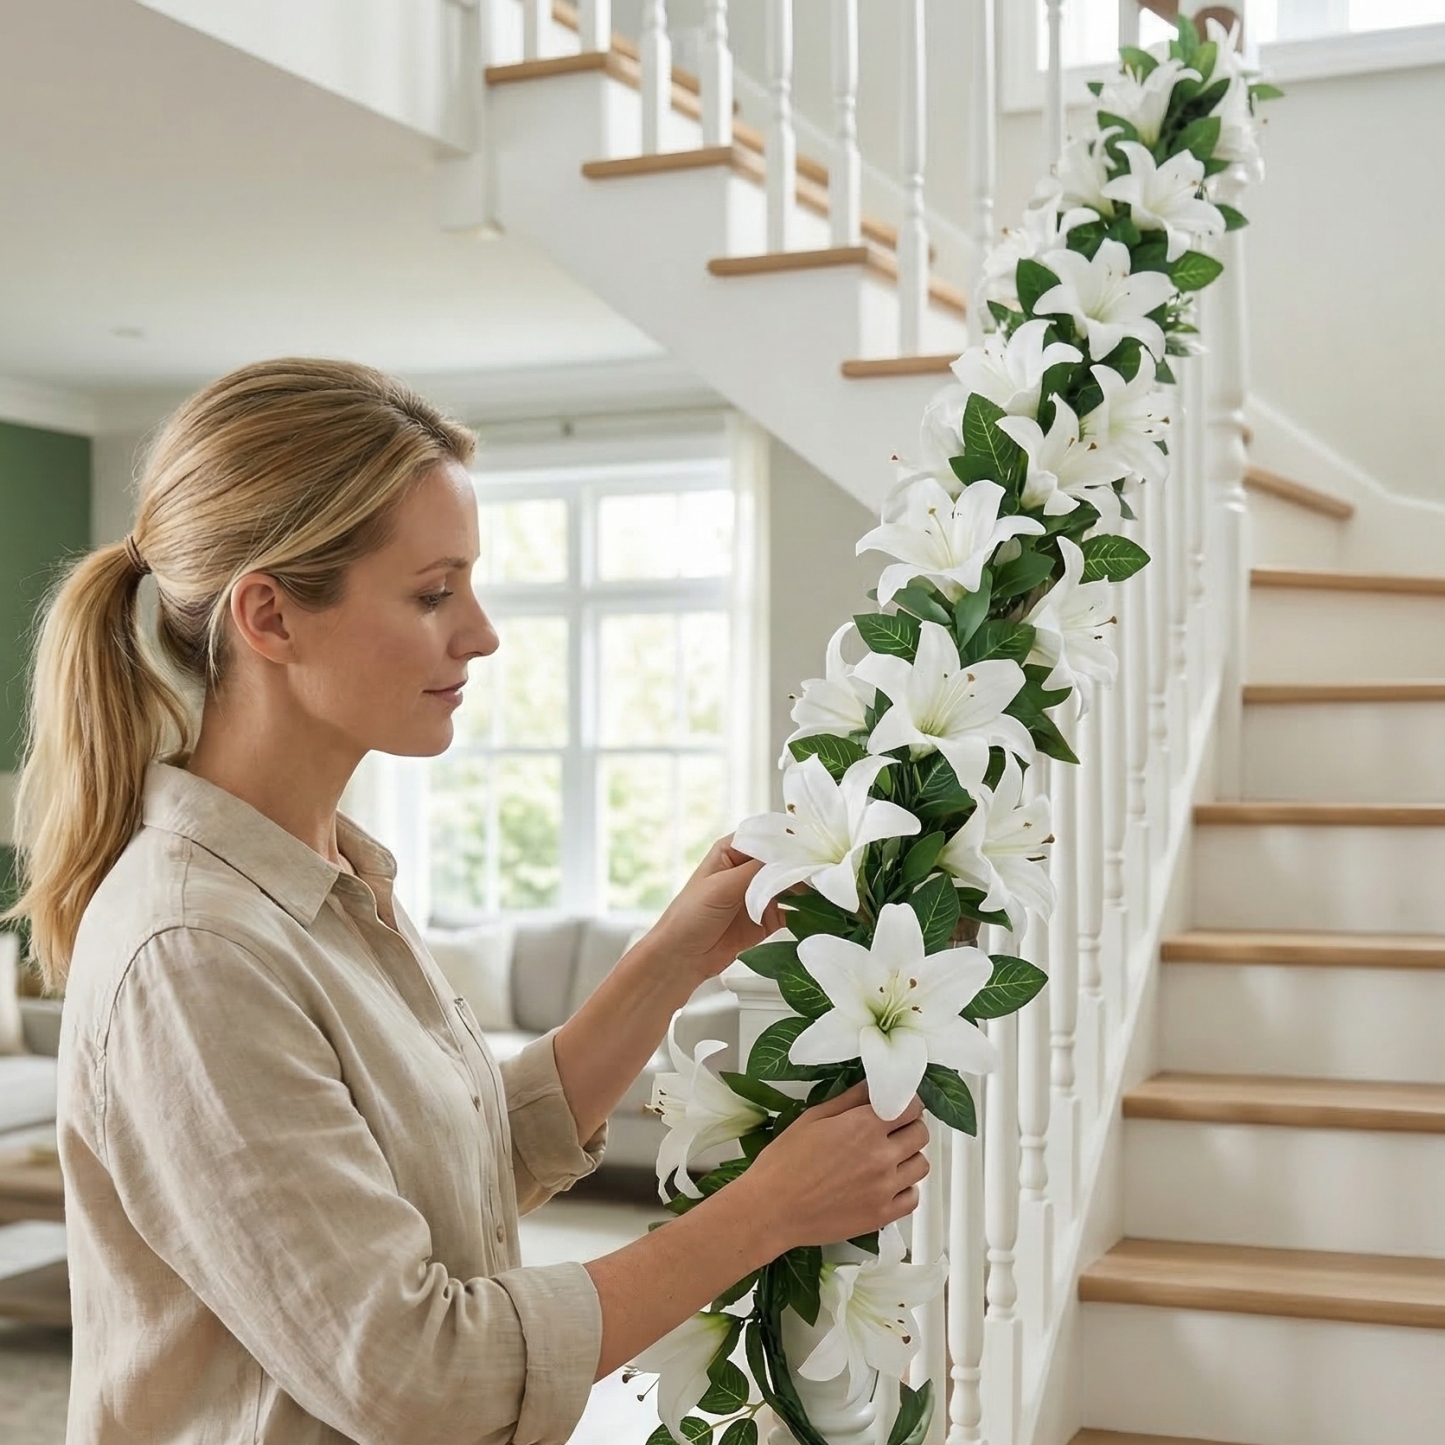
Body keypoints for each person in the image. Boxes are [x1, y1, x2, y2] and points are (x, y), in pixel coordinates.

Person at [1, 358, 930, 1445]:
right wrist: (764, 1211)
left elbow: (463, 1163)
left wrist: (674, 951)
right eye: (433, 591)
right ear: (270, 615)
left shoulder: (334, 874)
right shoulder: (195, 947)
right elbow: (419, 1375)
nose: (481, 632)